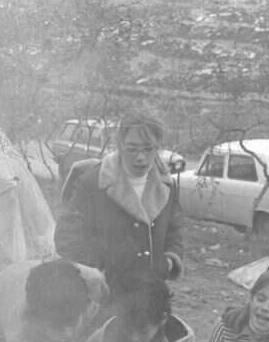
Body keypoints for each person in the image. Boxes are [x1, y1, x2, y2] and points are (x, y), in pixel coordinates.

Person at [54, 111, 184, 291]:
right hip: (105, 293)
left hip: (150, 292)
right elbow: (67, 237)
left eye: (148, 149)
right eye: (132, 148)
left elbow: (174, 230)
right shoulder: (93, 184)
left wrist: (169, 261)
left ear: (158, 148)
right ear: (120, 146)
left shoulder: (167, 186)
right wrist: (97, 271)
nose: (140, 157)